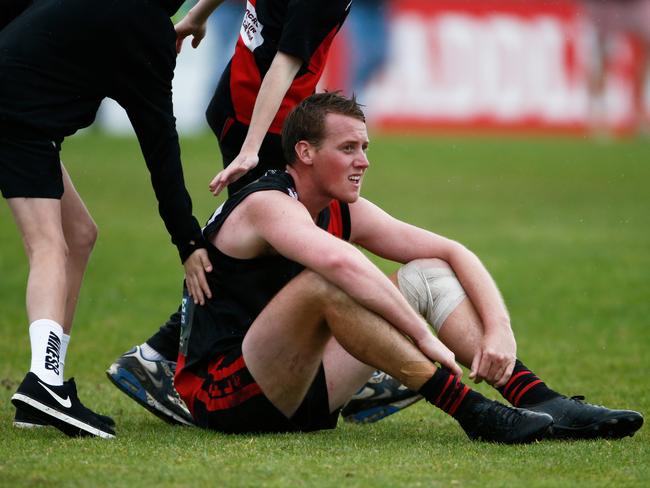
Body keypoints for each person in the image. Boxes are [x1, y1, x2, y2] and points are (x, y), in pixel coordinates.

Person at [173, 92, 643, 440]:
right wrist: (423, 338)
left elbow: (453, 252)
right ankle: (471, 411)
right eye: (348, 148)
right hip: (223, 397)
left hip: (300, 392)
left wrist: (500, 331)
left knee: (425, 271)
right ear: (305, 152)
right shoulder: (267, 203)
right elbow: (341, 264)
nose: (364, 161)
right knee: (328, 282)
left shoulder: (340, 206)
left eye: (365, 147)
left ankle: (535, 396)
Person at [106, 0, 380, 426]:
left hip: (240, 103)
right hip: (264, 122)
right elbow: (282, 67)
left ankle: (159, 356)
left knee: (276, 241)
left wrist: (199, 13)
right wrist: (252, 150)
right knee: (272, 245)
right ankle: (157, 356)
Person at [1, 0, 212, 439]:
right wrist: (188, 242)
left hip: (20, 112)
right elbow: (161, 148)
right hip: (19, 120)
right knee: (48, 246)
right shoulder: (144, 28)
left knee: (79, 236)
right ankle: (46, 384)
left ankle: (46, 386)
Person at [581, 0, 650, 134]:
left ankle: (640, 111)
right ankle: (598, 113)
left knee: (646, 45)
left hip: (635, 4)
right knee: (602, 53)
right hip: (604, 5)